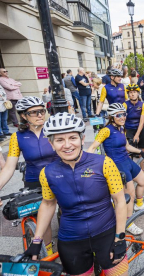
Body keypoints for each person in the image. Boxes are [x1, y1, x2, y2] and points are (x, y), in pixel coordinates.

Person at [24, 112, 128, 275]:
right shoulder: (47, 173)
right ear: (51, 144)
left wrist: (120, 237)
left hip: (106, 234)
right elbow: (48, 204)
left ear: (82, 138)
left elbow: (120, 201)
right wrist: (37, 240)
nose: (67, 145)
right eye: (59, 140)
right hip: (72, 240)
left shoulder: (104, 163)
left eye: (72, 138)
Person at [0, 97, 57, 256]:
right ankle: (48, 251)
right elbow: (9, 167)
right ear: (24, 115)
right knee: (41, 221)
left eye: (42, 111)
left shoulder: (53, 129)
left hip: (59, 177)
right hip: (34, 181)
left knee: (68, 214)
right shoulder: (17, 137)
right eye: (34, 112)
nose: (40, 115)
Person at [87, 103, 144, 235]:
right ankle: (129, 222)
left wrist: (140, 152)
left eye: (124, 114)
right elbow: (92, 147)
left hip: (127, 161)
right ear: (111, 116)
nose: (122, 117)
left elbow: (126, 146)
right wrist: (89, 163)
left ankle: (139, 203)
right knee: (130, 195)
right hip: (118, 165)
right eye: (118, 115)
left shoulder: (122, 128)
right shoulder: (106, 130)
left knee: (143, 181)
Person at [124, 84, 144, 174]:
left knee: (142, 152)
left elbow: (142, 122)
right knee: (128, 152)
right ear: (128, 94)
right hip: (129, 130)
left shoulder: (143, 105)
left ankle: (143, 173)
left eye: (134, 92)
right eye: (130, 92)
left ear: (138, 93)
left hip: (140, 130)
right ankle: (131, 173)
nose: (132, 94)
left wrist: (137, 135)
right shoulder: (125, 105)